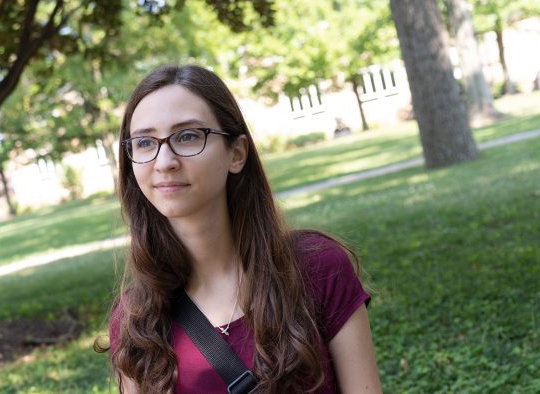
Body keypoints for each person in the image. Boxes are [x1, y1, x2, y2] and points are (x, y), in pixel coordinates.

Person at [96, 65, 381, 393]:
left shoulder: (318, 268)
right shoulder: (135, 319)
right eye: (145, 142)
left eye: (187, 136)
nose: (164, 162)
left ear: (237, 153)